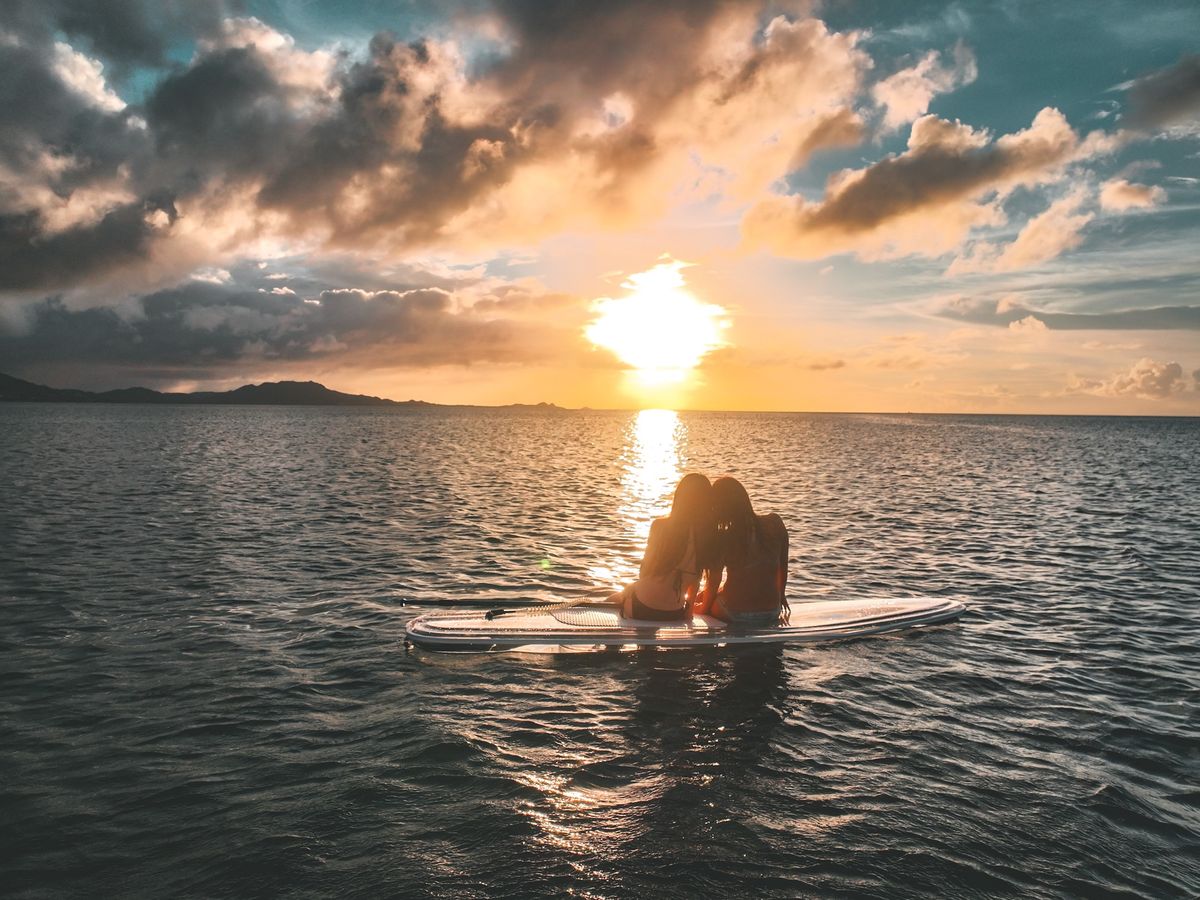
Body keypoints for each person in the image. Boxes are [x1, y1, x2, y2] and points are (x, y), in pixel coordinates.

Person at [612, 473, 718, 621]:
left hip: (640, 607)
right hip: (675, 612)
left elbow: (644, 571)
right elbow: (696, 579)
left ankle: (611, 642)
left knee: (614, 598)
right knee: (628, 593)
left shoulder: (660, 526)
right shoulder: (707, 536)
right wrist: (688, 612)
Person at [705, 476, 789, 627]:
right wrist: (781, 595)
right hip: (772, 611)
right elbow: (782, 566)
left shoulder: (724, 537)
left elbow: (713, 583)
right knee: (715, 592)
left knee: (705, 600)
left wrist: (701, 609)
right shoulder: (775, 522)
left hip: (734, 614)